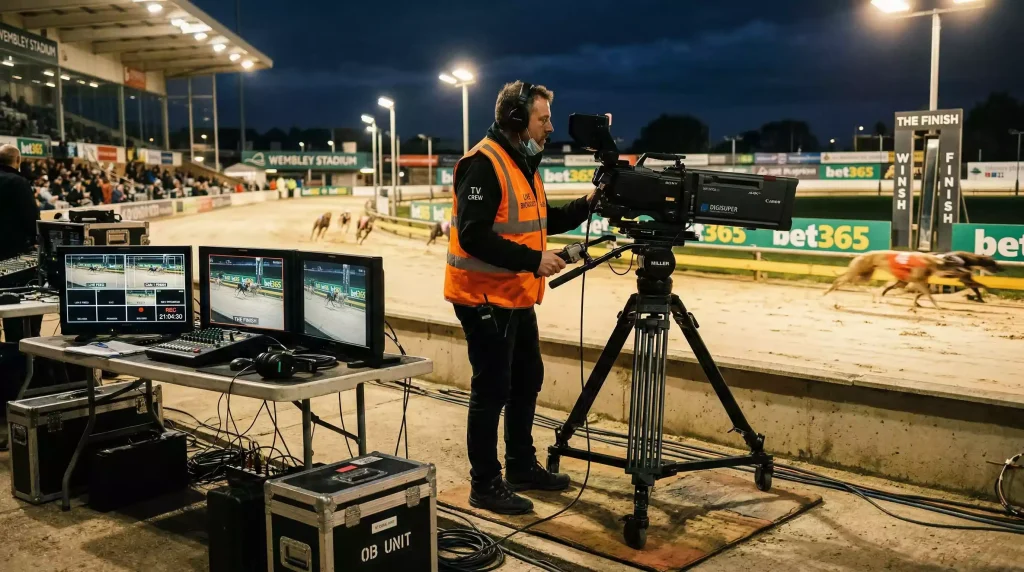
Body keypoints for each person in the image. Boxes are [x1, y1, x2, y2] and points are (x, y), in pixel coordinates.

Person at [444, 81, 595, 515]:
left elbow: (542, 221)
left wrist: (590, 202)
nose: (550, 127)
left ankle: (520, 465)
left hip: (514, 296)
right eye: (543, 118)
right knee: (491, 389)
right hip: (484, 298)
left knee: (527, 378)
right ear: (516, 119)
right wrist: (534, 261)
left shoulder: (521, 162)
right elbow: (473, 237)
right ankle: (485, 483)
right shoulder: (484, 164)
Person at [0, 144, 39, 260]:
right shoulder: (18, 182)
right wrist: (36, 238)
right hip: (12, 247)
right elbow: (30, 215)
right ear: (17, 160)